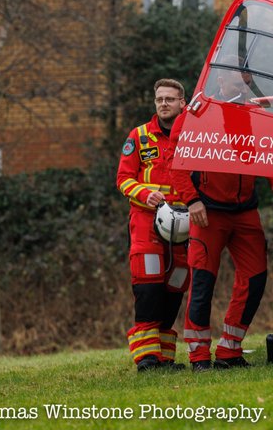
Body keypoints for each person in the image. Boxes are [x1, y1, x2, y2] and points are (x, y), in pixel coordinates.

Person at [174, 129, 273, 371]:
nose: (244, 87)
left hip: (245, 211)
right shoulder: (197, 114)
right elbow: (177, 162)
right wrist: (192, 200)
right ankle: (199, 357)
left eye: (247, 85)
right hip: (207, 212)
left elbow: (267, 148)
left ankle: (230, 351)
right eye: (239, 85)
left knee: (255, 278)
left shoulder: (252, 114)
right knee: (202, 283)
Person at [116, 78, 191, 371]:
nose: (163, 104)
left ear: (182, 103)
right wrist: (146, 195)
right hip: (147, 221)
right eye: (159, 99)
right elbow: (123, 179)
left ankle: (165, 356)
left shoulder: (191, 136)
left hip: (184, 225)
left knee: (176, 284)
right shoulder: (139, 136)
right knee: (148, 285)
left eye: (170, 99)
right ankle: (147, 358)